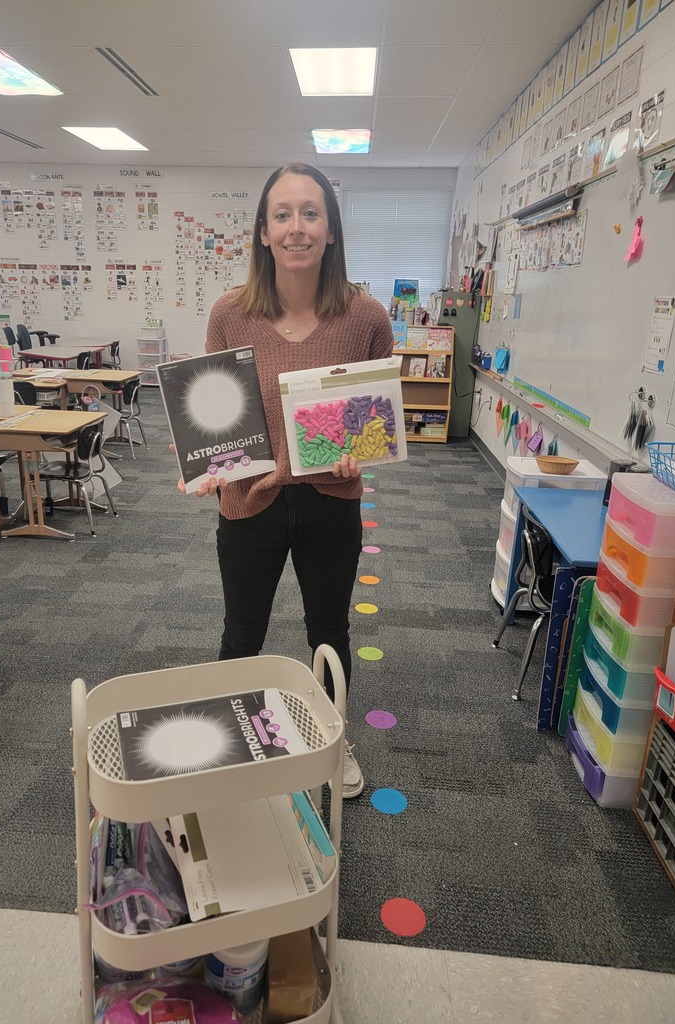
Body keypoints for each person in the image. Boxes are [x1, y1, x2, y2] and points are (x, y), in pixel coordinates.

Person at [178, 162, 394, 798]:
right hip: (251, 503)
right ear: (263, 232)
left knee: (329, 634)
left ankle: (330, 743)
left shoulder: (365, 317)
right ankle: (228, 747)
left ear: (331, 230)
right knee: (241, 634)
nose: (297, 227)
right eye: (283, 214)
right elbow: (218, 412)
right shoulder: (230, 313)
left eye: (310, 213)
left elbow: (373, 419)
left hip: (332, 503)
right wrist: (204, 460)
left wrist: (361, 452)